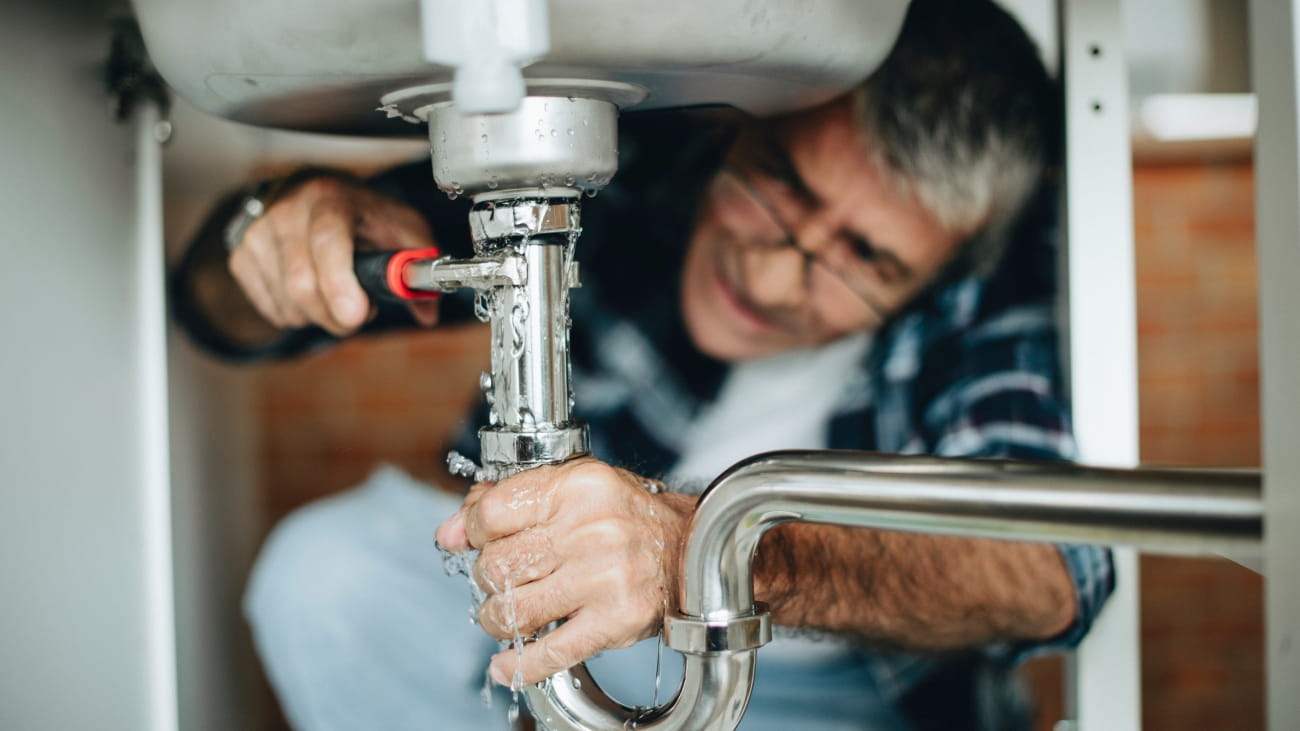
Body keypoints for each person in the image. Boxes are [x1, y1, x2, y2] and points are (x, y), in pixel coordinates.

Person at [172, 0, 1113, 728]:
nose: (777, 272)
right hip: (567, 643)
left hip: (836, 695)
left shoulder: (993, 280)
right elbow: (219, 314)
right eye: (781, 185)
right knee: (325, 577)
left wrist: (702, 553)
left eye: (866, 259)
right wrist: (280, 230)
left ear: (941, 268)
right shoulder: (639, 162)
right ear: (744, 125)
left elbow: (1048, 570)